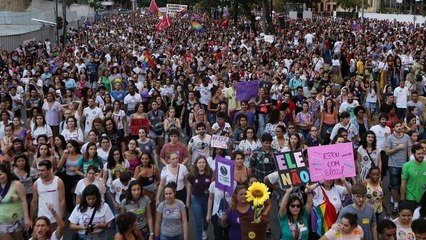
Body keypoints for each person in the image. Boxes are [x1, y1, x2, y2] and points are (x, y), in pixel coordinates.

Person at [385, 120, 411, 212]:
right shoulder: (390, 138)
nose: (399, 127)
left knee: (404, 185)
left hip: (405, 165)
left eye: (400, 126)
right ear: (393, 128)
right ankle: (396, 203)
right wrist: (398, 148)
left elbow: (409, 151)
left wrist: (411, 161)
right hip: (393, 165)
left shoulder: (407, 137)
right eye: (397, 126)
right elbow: (387, 152)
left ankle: (403, 202)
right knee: (394, 186)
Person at [0, 163, 32, 239]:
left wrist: (27, 218)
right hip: (2, 222)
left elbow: (24, 201)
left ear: (6, 173)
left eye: (1, 174)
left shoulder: (17, 184)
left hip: (17, 220)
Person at [31, 160, 65, 229]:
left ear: (49, 170)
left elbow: (62, 201)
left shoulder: (58, 182)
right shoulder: (36, 183)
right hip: (41, 219)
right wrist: (31, 218)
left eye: (42, 170)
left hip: (56, 218)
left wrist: (62, 217)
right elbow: (34, 202)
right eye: (39, 170)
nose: (40, 173)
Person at [187, 156, 213, 240]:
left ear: (206, 163)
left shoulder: (210, 173)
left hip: (207, 199)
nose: (201, 164)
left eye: (203, 162)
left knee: (207, 218)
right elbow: (189, 186)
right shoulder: (192, 174)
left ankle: (204, 230)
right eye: (199, 162)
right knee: (198, 222)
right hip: (196, 199)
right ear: (196, 164)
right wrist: (188, 199)